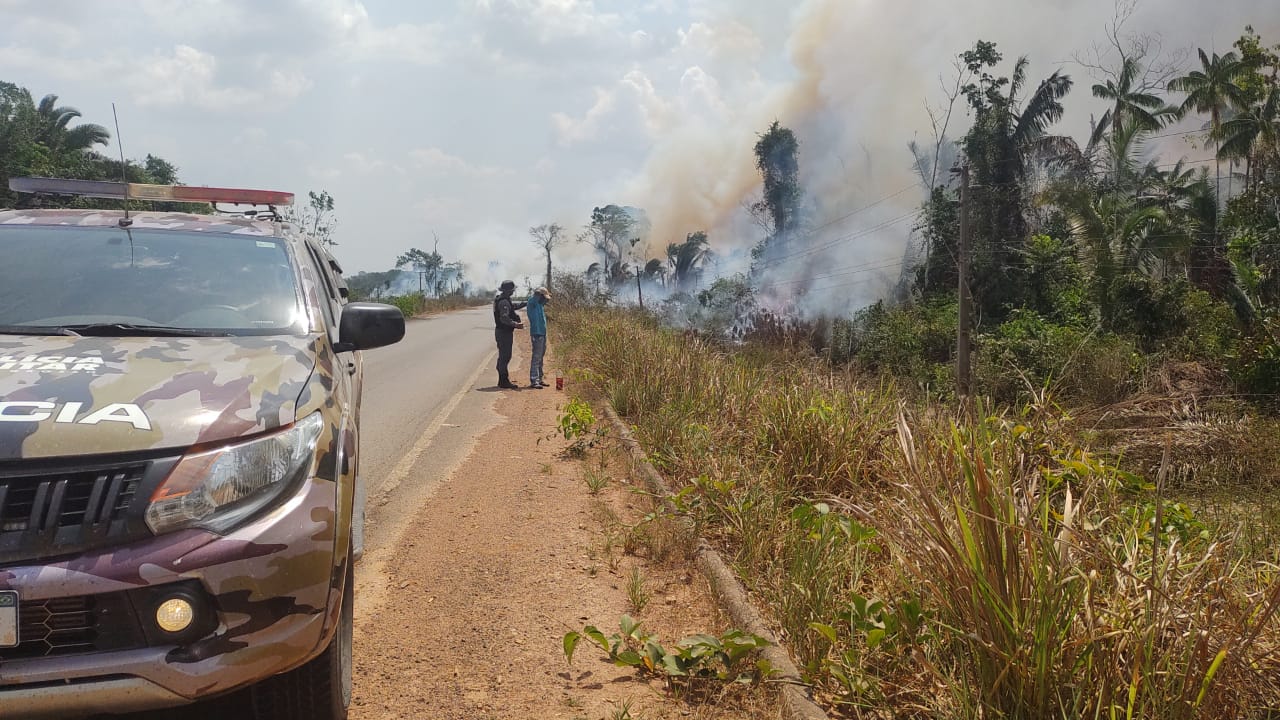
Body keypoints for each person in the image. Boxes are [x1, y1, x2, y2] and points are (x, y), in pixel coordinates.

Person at [493, 280, 526, 388]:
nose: (513, 291)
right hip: (504, 332)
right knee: (505, 356)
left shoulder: (503, 300)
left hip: (502, 332)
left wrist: (525, 303)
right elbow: (504, 318)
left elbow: (513, 307)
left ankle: (503, 379)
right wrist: (516, 324)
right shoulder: (503, 302)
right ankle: (503, 380)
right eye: (512, 290)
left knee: (504, 356)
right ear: (508, 291)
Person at [525, 286, 551, 388]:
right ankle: (534, 380)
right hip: (537, 334)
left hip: (542, 334)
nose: (546, 300)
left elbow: (546, 300)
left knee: (540, 358)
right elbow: (536, 296)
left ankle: (539, 379)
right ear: (539, 296)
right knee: (536, 358)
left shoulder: (540, 305)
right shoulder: (533, 303)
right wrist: (540, 293)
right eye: (544, 297)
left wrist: (545, 295)